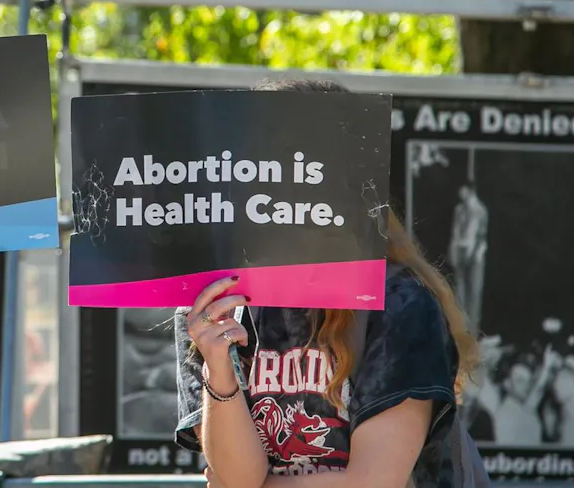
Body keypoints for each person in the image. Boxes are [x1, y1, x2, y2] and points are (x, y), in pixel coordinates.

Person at [176, 77, 482, 488]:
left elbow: (373, 482)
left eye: (294, 163)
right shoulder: (210, 307)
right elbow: (237, 478)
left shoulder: (400, 304)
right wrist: (218, 365)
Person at [447, 184, 488, 331]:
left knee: (474, 290)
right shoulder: (459, 210)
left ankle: (473, 329)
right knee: (460, 288)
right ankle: (461, 326)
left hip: (475, 253)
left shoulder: (480, 210)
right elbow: (455, 232)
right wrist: (453, 250)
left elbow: (481, 236)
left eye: (463, 190)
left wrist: (473, 252)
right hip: (461, 250)